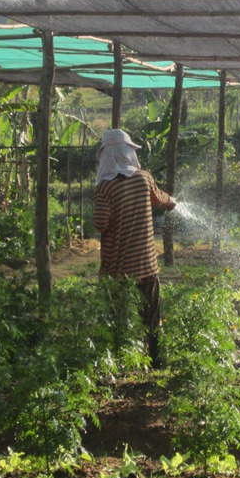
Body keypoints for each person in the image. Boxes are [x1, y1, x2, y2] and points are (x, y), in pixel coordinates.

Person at [92, 128, 175, 368]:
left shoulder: (105, 189)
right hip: (146, 265)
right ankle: (158, 363)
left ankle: (119, 360)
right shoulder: (143, 178)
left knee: (117, 316)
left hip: (117, 269)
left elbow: (100, 223)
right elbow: (160, 199)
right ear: (128, 152)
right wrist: (172, 202)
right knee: (151, 316)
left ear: (106, 156)